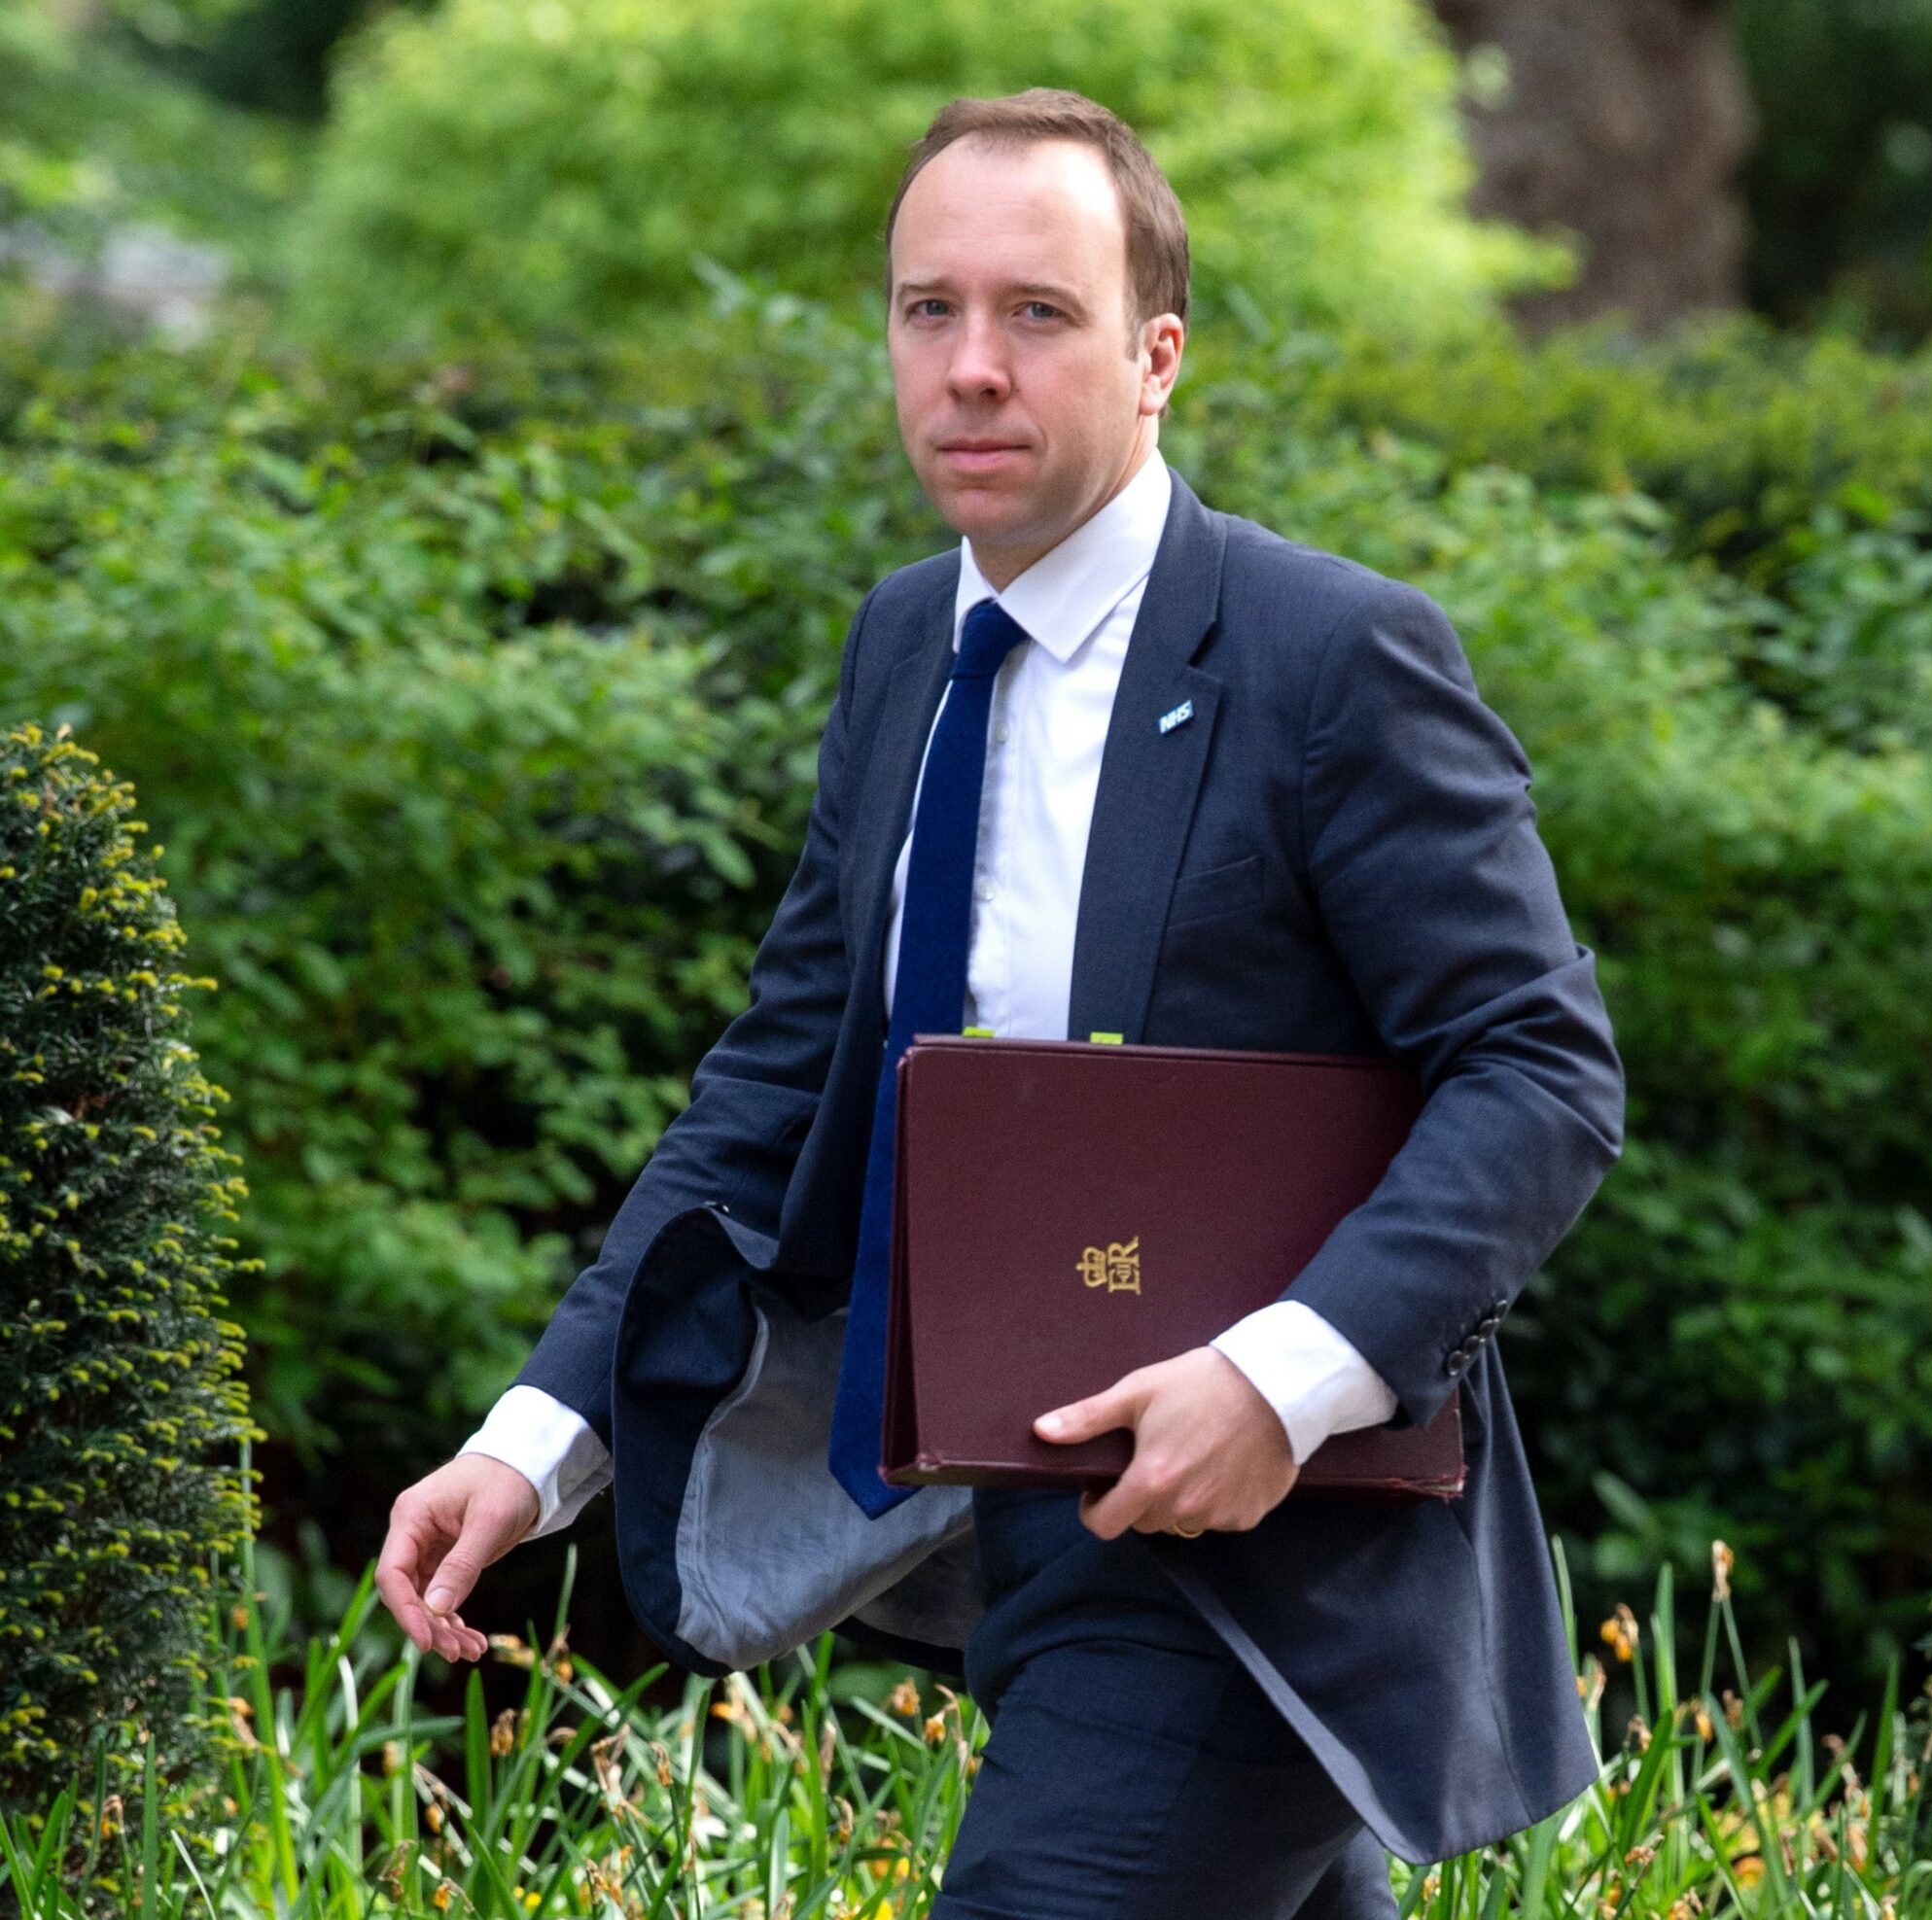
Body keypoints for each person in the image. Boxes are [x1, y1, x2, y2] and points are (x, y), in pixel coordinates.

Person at [376, 87, 1625, 1919]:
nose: (972, 366)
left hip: (1257, 1570)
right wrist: (534, 1438)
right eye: (927, 310)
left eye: (1039, 314)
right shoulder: (905, 644)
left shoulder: (1329, 657)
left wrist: (1279, 1385)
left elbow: (1539, 1069)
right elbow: (779, 1079)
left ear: (1155, 358)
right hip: (1001, 1538)